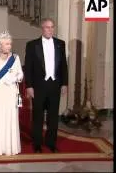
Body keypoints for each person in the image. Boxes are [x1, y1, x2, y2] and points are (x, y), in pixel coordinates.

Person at [24, 18, 68, 153]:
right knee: (37, 116)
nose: (50, 30)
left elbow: (63, 66)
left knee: (53, 116)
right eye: (47, 27)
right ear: (42, 29)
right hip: (38, 86)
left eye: (52, 27)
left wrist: (64, 83)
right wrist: (29, 86)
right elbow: (28, 67)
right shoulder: (32, 45)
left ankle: (51, 142)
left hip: (55, 85)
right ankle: (37, 144)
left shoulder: (60, 44)